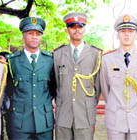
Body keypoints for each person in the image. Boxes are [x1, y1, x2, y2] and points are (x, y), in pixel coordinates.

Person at [100, 14, 137, 140]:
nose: (127, 34)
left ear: (136, 35)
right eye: (123, 31)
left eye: (130, 31)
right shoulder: (106, 58)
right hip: (115, 116)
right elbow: (105, 89)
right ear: (117, 35)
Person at [5, 17, 56, 140]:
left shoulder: (51, 60)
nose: (34, 37)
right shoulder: (12, 61)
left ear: (41, 37)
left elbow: (53, 88)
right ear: (23, 37)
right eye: (30, 33)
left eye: (38, 34)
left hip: (44, 121)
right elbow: (9, 90)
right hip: (20, 123)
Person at [53, 12, 102, 140]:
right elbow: (56, 83)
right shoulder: (57, 54)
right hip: (64, 113)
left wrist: (88, 103)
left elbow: (97, 86)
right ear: (67, 30)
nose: (76, 30)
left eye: (80, 27)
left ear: (84, 29)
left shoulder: (95, 54)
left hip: (85, 114)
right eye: (72, 27)